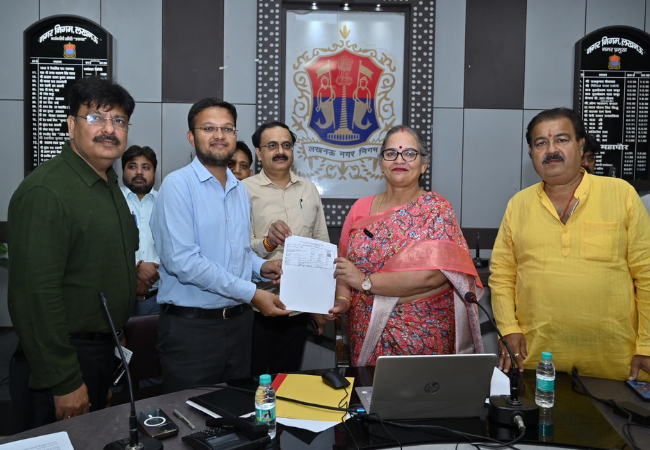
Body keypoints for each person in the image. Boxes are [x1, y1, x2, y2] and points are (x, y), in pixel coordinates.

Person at [7, 76, 137, 429]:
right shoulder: (46, 191)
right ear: (70, 125)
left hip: (100, 352)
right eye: (95, 117)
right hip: (62, 361)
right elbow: (34, 296)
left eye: (119, 120)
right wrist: (64, 380)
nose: (109, 129)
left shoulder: (108, 184)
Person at [490, 107, 650, 381]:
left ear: (581, 145)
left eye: (561, 140)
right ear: (531, 153)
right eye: (541, 143)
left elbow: (646, 274)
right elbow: (502, 275)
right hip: (535, 360)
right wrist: (508, 329)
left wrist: (647, 345)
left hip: (617, 363)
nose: (551, 150)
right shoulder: (519, 205)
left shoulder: (621, 194)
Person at [150, 98, 291, 393]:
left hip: (239, 327)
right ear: (192, 137)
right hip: (192, 332)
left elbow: (236, 252)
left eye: (227, 128)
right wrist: (252, 293)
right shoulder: (177, 186)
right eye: (209, 128)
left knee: (236, 413)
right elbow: (184, 262)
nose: (219, 135)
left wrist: (261, 267)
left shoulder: (239, 189)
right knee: (189, 416)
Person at [333, 125, 484, 366]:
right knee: (369, 389)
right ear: (380, 163)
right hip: (365, 333)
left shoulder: (437, 210)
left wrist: (365, 282)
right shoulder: (360, 209)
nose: (399, 159)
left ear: (424, 164)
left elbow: (433, 276)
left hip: (424, 336)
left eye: (410, 153)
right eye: (391, 153)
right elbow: (343, 267)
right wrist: (342, 300)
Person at [243, 121, 330, 375]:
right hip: (256, 308)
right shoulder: (243, 191)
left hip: (299, 310)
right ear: (258, 153)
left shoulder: (309, 189)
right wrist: (268, 242)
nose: (280, 151)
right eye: (272, 146)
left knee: (288, 381)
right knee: (253, 383)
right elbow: (237, 251)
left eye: (286, 145)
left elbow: (321, 246)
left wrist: (319, 305)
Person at [121, 145, 160, 315]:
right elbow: (106, 245)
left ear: (154, 172)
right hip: (120, 298)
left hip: (159, 298)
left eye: (145, 167)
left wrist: (155, 271)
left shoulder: (166, 201)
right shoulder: (111, 201)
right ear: (123, 170)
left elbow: (177, 243)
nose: (139, 172)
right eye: (132, 166)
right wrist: (136, 268)